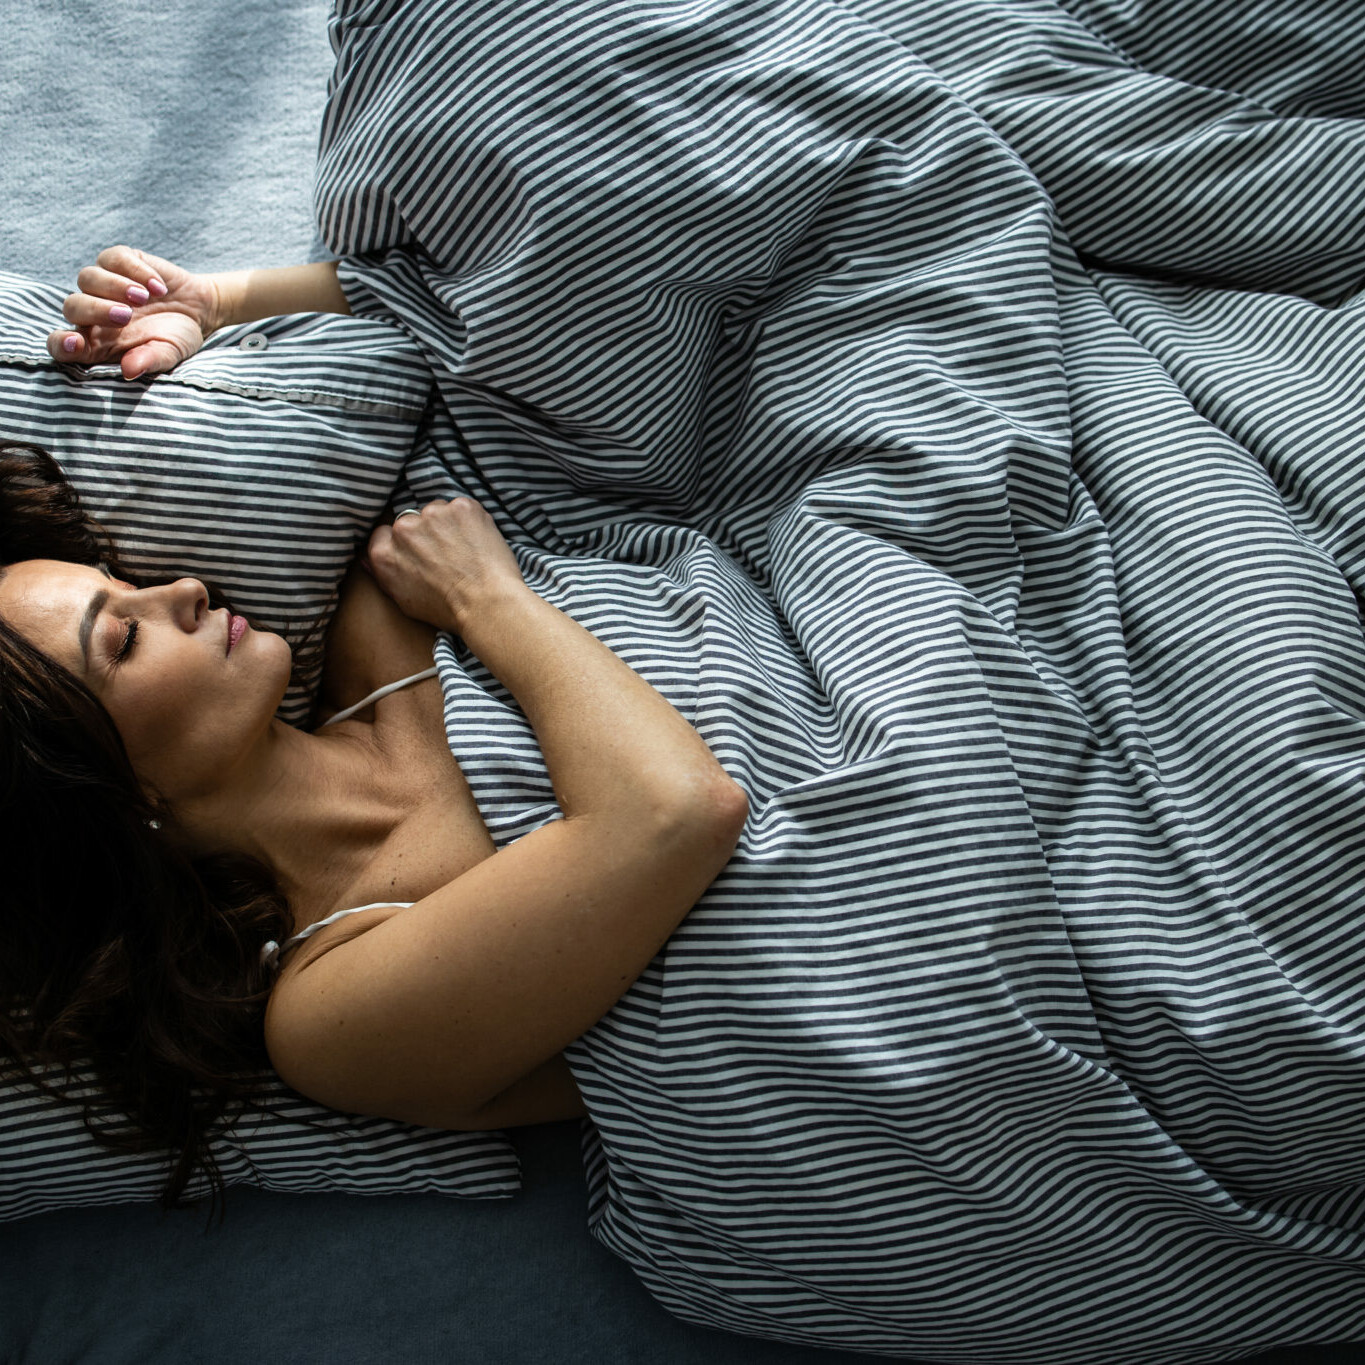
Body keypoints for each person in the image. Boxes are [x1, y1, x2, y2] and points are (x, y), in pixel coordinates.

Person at [0, 246, 749, 1215]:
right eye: (125, 639)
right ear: (110, 792)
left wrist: (215, 305)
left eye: (127, 585)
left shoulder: (374, 609)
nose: (180, 589)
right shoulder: (331, 1013)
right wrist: (491, 603)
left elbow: (469, 321)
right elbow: (674, 814)